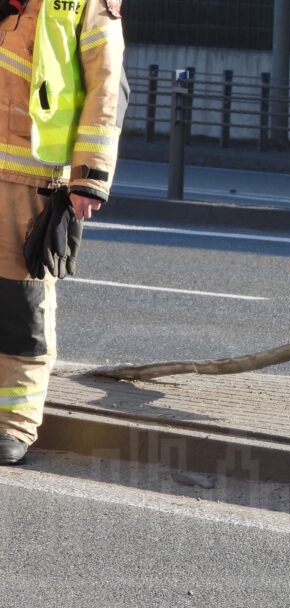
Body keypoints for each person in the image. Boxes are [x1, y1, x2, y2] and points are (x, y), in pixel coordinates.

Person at [0, 0, 125, 464]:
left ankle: (14, 424)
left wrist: (89, 177)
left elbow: (105, 85)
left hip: (31, 182)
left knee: (21, 304)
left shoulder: (81, 3)